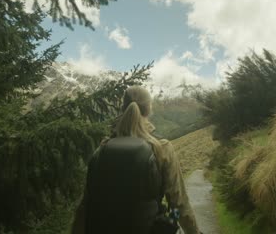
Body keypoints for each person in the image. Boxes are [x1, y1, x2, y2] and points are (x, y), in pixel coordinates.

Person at [71, 85, 200, 234]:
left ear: (123, 108)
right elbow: (178, 203)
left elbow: (85, 205)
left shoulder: (103, 148)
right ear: (149, 109)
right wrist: (188, 228)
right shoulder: (161, 147)